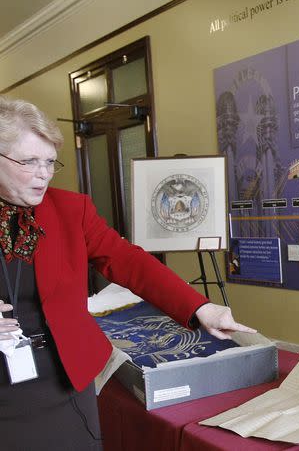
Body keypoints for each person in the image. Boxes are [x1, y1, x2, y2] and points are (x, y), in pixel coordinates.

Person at [0, 96, 256, 450]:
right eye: (29, 162)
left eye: (49, 161)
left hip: (65, 381)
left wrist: (199, 307)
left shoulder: (71, 210)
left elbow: (128, 260)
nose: (43, 174)